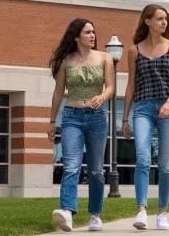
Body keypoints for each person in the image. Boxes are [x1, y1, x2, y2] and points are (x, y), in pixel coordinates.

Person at [48, 18, 115, 232]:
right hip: (71, 118)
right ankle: (67, 212)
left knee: (96, 171)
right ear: (76, 36)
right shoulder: (66, 61)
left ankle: (95, 215)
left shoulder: (105, 58)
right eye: (87, 32)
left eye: (93, 32)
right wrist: (51, 121)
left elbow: (111, 87)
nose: (92, 35)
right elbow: (59, 92)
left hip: (97, 117)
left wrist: (102, 97)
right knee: (70, 166)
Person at [122, 4, 169, 230]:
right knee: (143, 159)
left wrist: (168, 103)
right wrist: (125, 118)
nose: (164, 22)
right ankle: (141, 211)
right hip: (143, 109)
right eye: (159, 19)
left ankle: (162, 213)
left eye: (165, 19)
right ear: (147, 21)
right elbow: (130, 86)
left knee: (166, 165)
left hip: (167, 109)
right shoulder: (134, 51)